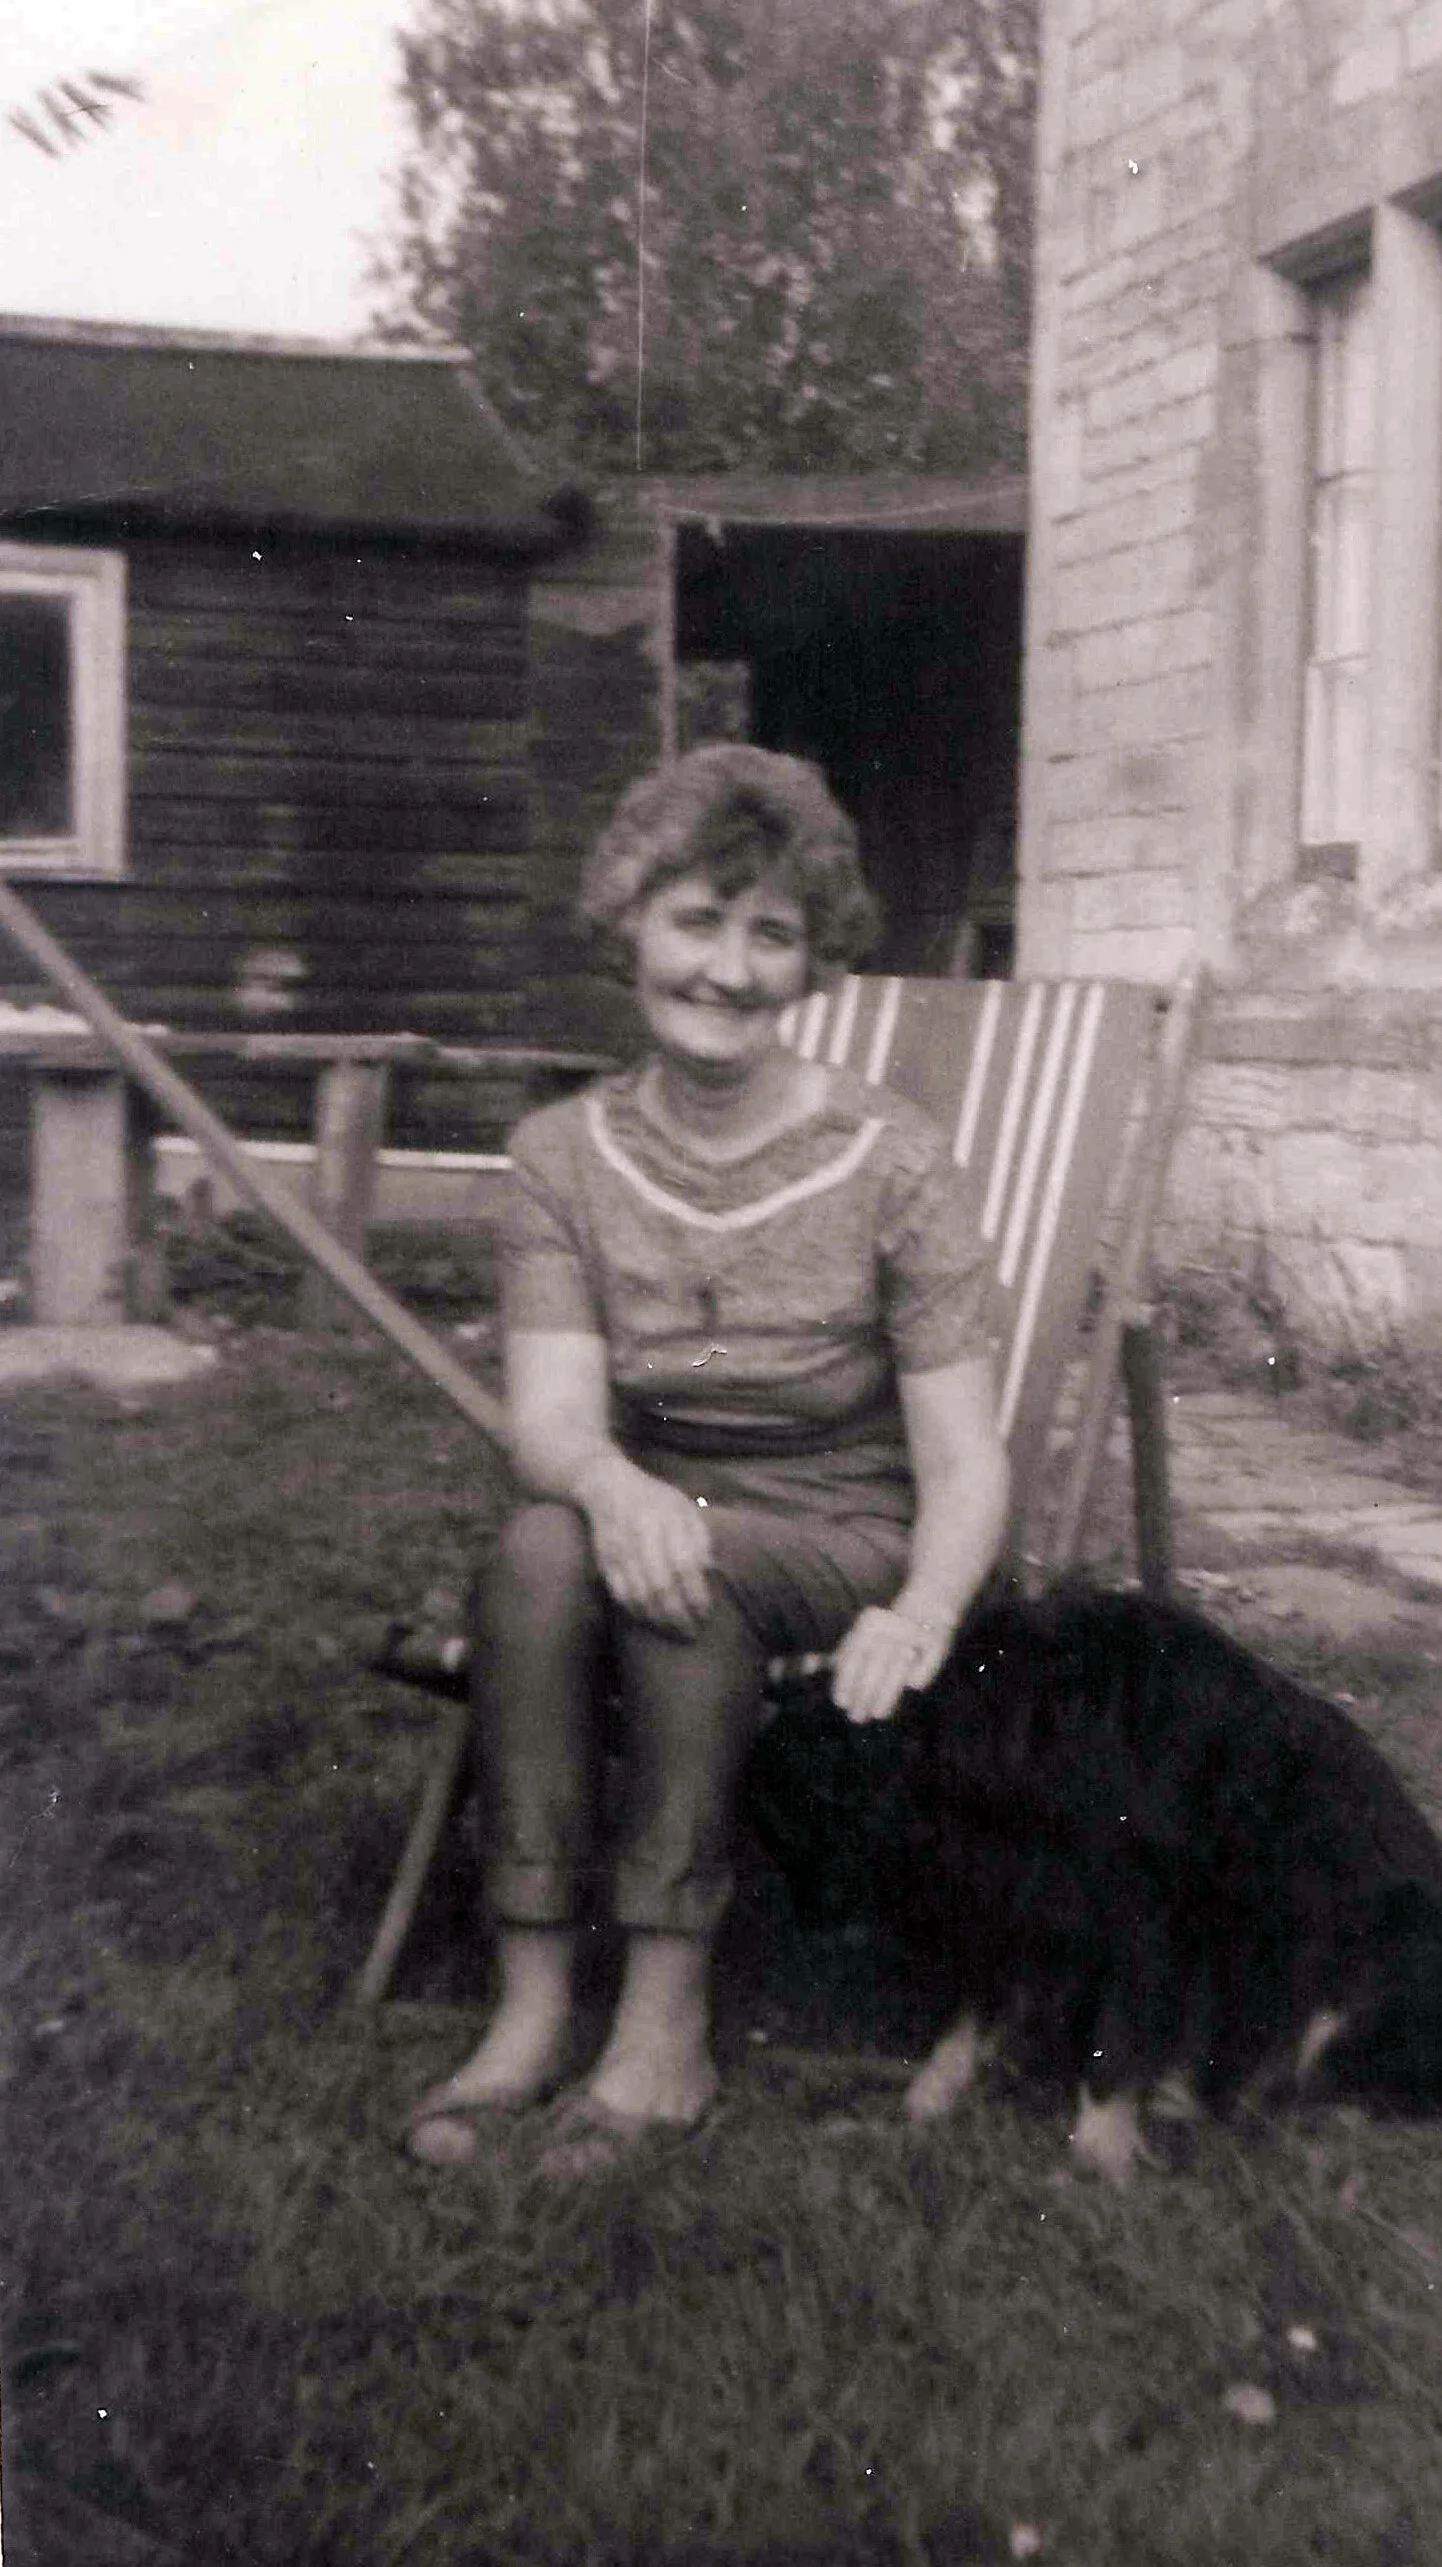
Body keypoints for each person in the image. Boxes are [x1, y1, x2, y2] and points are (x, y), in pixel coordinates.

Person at [406, 745, 1011, 2177]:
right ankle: (535, 2001)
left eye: (771, 934)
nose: (728, 969)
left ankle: (663, 2026)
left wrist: (922, 1612)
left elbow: (964, 1457)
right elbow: (551, 1423)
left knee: (688, 1572)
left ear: (811, 965)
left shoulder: (891, 1160)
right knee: (547, 1541)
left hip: (842, 1529)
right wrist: (617, 1488)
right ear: (631, 924)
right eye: (697, 920)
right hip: (654, 1502)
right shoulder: (559, 1155)